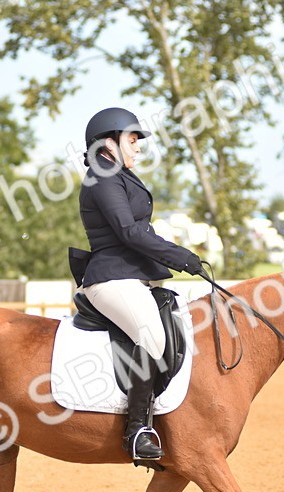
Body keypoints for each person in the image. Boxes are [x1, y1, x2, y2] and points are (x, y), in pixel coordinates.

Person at [77, 107, 204, 462]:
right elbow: (129, 231)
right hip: (110, 277)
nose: (138, 147)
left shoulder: (118, 175)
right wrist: (179, 256)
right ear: (108, 143)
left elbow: (140, 231)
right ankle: (137, 430)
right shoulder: (101, 176)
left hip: (131, 277)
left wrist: (180, 257)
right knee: (151, 334)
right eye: (132, 140)